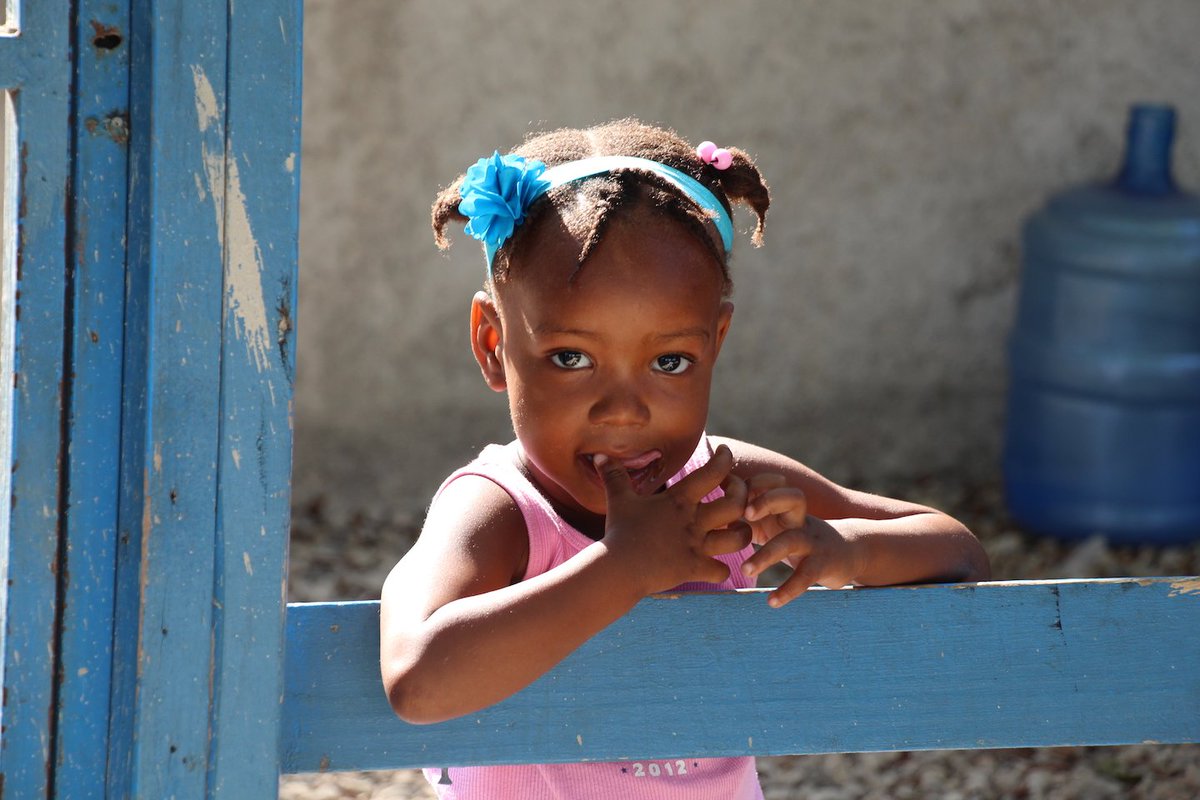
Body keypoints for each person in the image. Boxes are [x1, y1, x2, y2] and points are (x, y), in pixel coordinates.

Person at [379, 118, 991, 799]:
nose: (623, 410)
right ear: (494, 345)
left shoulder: (726, 486)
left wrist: (839, 546)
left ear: (715, 342)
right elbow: (416, 677)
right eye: (571, 358)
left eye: (670, 362)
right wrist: (624, 567)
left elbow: (959, 552)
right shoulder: (502, 510)